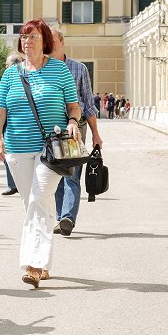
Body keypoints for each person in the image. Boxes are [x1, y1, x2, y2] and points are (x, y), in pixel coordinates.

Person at [0, 18, 81, 288]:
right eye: (24, 37)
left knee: (38, 200)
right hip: (17, 149)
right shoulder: (11, 74)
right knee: (34, 204)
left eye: (33, 37)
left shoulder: (60, 71)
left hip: (50, 149)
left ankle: (33, 265)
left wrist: (73, 122)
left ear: (46, 42)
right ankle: (44, 263)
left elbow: (74, 107)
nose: (27, 42)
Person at [50, 28, 103, 238]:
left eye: (53, 41)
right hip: (52, 131)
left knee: (71, 175)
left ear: (62, 43)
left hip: (76, 128)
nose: (50, 45)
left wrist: (96, 134)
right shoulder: (43, 69)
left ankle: (67, 218)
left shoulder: (79, 69)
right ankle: (60, 216)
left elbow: (88, 105)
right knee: (55, 175)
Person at [1, 52, 23, 196]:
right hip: (9, 121)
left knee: (11, 155)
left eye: (8, 65)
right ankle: (14, 184)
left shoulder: (12, 76)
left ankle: (15, 184)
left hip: (13, 122)